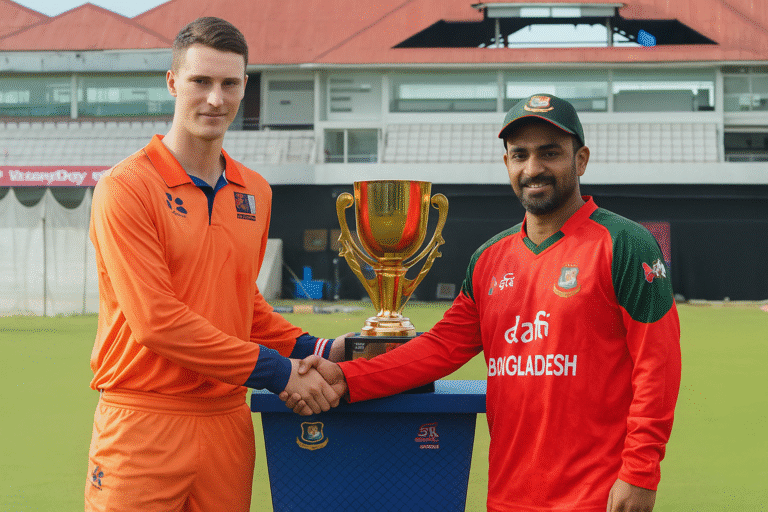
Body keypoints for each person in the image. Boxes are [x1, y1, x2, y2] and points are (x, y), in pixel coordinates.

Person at [284, 94, 682, 512]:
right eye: (520, 155)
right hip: (508, 496)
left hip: (596, 495)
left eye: (550, 153)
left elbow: (657, 365)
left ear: (580, 160)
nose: (533, 169)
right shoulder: (489, 258)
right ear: (506, 164)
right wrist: (347, 377)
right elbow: (440, 347)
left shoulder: (625, 243)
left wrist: (639, 472)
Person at [85, 17, 346, 512]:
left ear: (245, 87)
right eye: (200, 81)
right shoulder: (127, 188)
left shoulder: (256, 190)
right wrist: (279, 371)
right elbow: (156, 321)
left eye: (229, 84)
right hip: (144, 421)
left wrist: (321, 347)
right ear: (172, 82)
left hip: (228, 421)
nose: (214, 99)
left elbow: (239, 302)